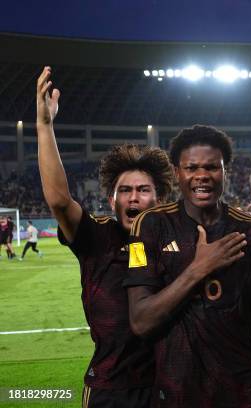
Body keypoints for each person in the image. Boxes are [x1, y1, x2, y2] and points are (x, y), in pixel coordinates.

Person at [125, 125, 251, 407]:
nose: (202, 176)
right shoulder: (151, 226)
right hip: (179, 393)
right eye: (192, 168)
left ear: (225, 171)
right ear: (177, 172)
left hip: (249, 392)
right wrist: (198, 269)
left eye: (212, 167)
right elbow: (140, 322)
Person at [37, 66, 175, 407]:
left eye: (143, 190)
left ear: (159, 197)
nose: (133, 198)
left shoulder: (175, 238)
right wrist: (44, 126)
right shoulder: (96, 237)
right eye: (124, 191)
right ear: (111, 200)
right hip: (110, 390)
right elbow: (57, 200)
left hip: (170, 387)